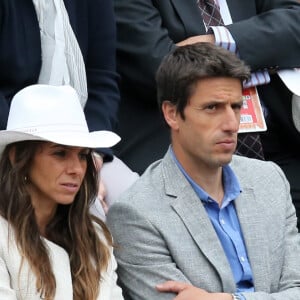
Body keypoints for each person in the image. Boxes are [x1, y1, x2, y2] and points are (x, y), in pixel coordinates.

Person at [107, 43, 300, 300]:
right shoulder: (135, 213)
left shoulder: (270, 180)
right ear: (172, 114)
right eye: (212, 108)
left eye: (235, 106)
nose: (232, 124)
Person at [112, 0, 300, 228]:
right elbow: (161, 67)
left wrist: (217, 40)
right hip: (186, 157)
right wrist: (261, 58)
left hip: (279, 148)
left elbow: (295, 22)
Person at [0, 0, 138, 216]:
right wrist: (29, 151)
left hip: (82, 141)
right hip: (14, 142)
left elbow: (102, 79)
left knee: (134, 204)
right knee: (89, 210)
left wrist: (90, 158)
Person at [0, 84, 124, 299]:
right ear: (17, 156)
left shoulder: (95, 236)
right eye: (60, 153)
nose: (76, 169)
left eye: (83, 155)